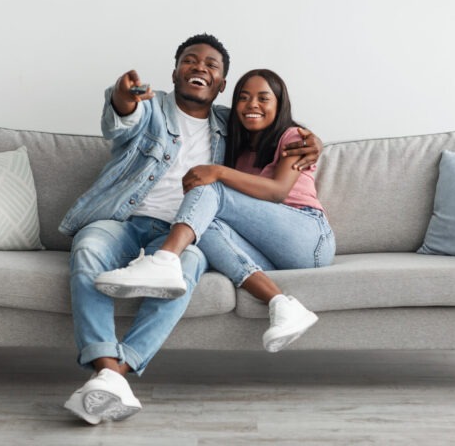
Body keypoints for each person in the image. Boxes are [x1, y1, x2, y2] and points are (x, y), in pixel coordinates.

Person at [59, 33, 322, 425]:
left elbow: (274, 131)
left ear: (220, 86)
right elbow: (121, 119)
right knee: (88, 249)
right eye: (190, 60)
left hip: (187, 233)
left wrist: (312, 140)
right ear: (176, 72)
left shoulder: (229, 126)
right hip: (124, 222)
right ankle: (108, 371)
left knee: (186, 268)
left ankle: (115, 372)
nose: (200, 67)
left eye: (211, 65)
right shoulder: (152, 109)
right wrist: (122, 97)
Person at [95, 68, 335, 353]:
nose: (252, 105)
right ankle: (282, 303)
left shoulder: (293, 137)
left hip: (309, 239)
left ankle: (164, 260)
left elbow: (278, 191)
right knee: (203, 226)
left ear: (280, 105)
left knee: (212, 187)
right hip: (270, 251)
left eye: (263, 98)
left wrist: (218, 172)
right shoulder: (238, 147)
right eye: (244, 98)